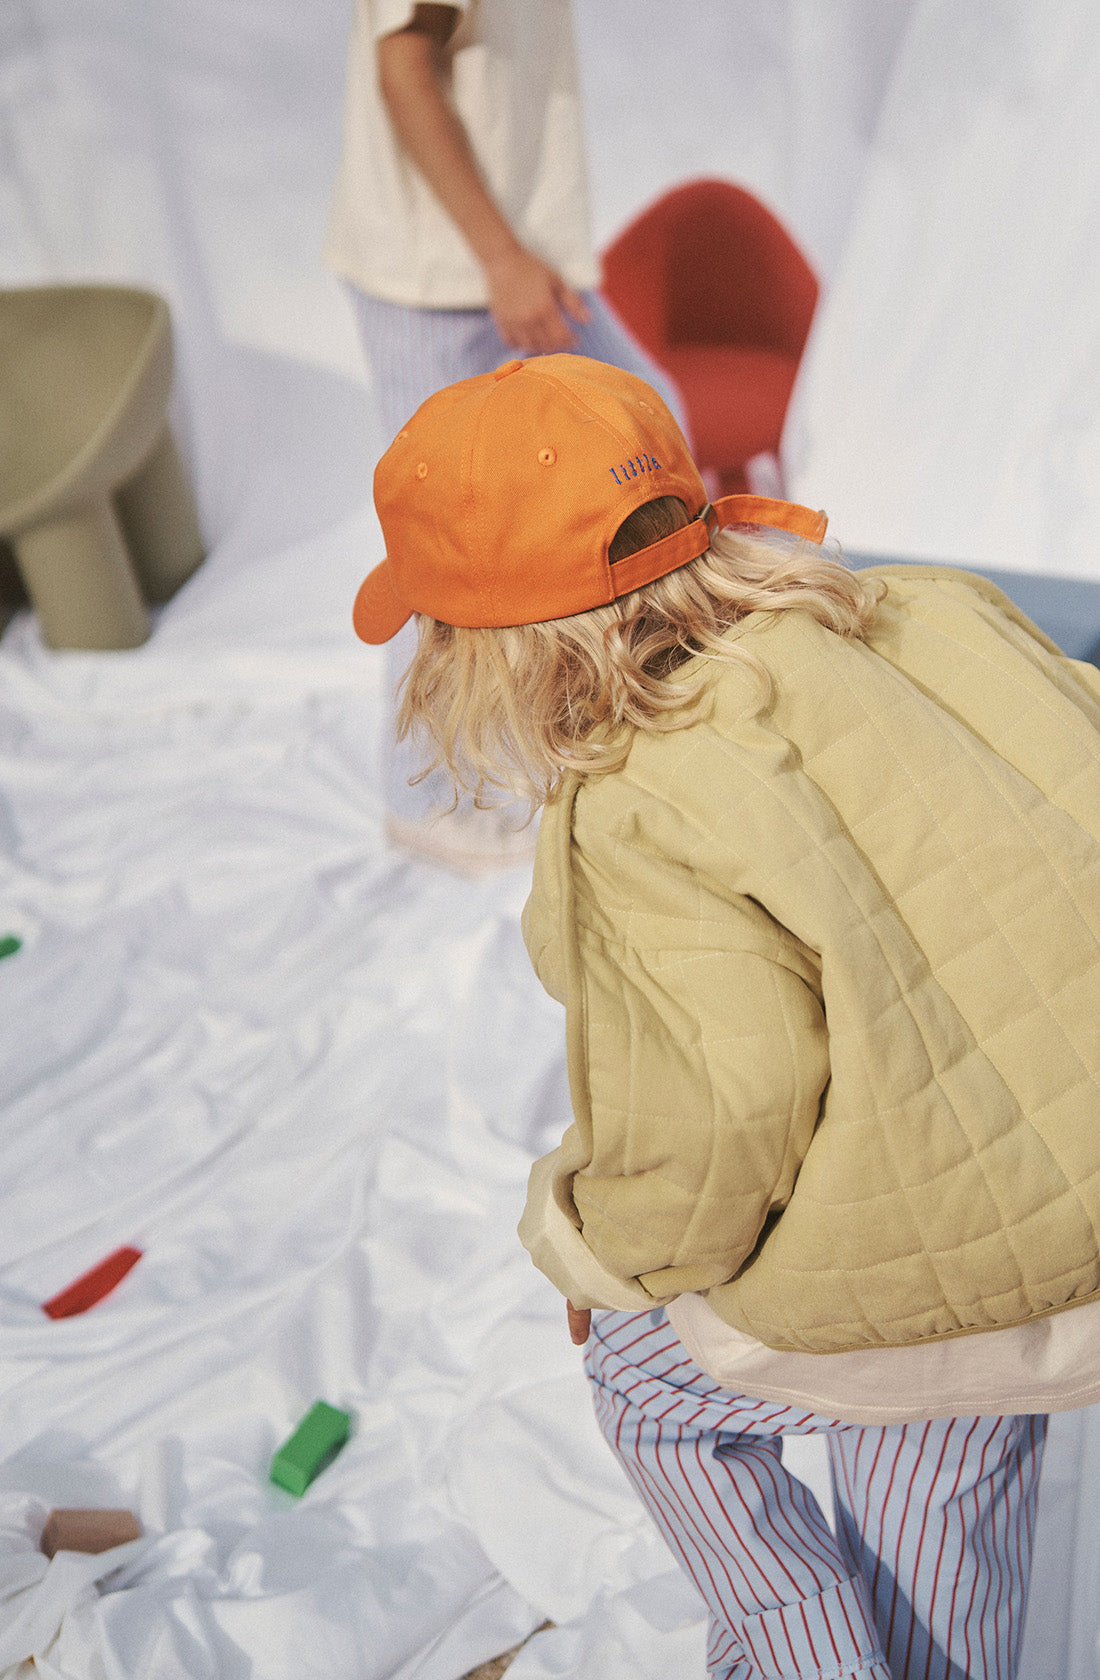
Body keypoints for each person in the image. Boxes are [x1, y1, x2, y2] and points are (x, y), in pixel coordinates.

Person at [351, 353, 1100, 1679]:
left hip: (962, 1268)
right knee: (937, 1484)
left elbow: (723, 1120)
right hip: (1065, 1205)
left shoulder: (644, 801)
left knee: (653, 1388)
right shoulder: (933, 615)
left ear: (489, 646)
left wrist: (602, 1258)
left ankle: (801, 1657)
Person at [326, 0, 679, 872]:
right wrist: (499, 260)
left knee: (648, 410)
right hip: (444, 278)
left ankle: (607, 709)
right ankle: (428, 796)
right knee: (444, 545)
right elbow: (403, 68)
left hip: (513, 260)